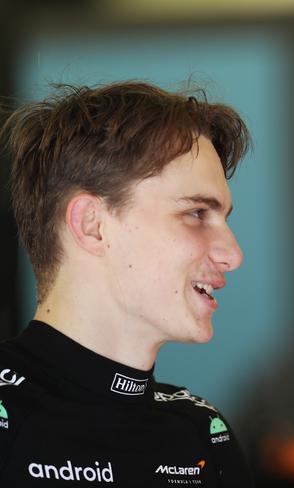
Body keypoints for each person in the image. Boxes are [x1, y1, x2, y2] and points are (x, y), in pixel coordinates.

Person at [0, 82, 255, 486]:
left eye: (223, 217)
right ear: (92, 225)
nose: (233, 254)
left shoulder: (202, 433)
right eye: (196, 213)